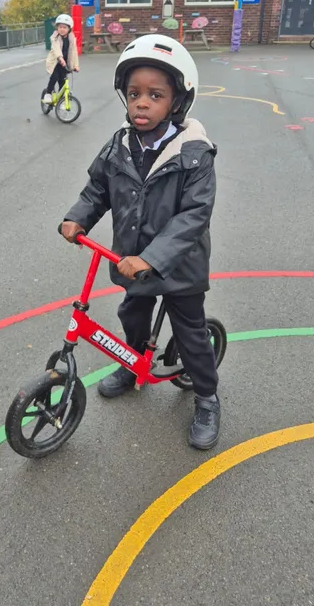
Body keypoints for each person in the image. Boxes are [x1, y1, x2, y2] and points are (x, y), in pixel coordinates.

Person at [60, 34, 220, 450]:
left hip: (178, 268)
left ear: (178, 102)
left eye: (155, 95)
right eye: (134, 94)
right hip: (133, 262)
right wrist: (78, 218)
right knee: (132, 314)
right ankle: (132, 365)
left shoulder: (195, 154)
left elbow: (193, 217)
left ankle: (206, 397)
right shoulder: (119, 145)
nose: (142, 103)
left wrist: (152, 257)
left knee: (191, 335)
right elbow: (98, 189)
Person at [43, 14, 79, 104]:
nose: (62, 29)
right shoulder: (55, 38)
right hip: (55, 62)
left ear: (69, 28)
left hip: (65, 64)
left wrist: (75, 65)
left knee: (62, 82)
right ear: (57, 28)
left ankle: (61, 101)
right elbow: (56, 48)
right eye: (60, 27)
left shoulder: (71, 39)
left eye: (64, 27)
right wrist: (60, 58)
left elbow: (74, 53)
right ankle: (48, 93)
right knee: (54, 77)